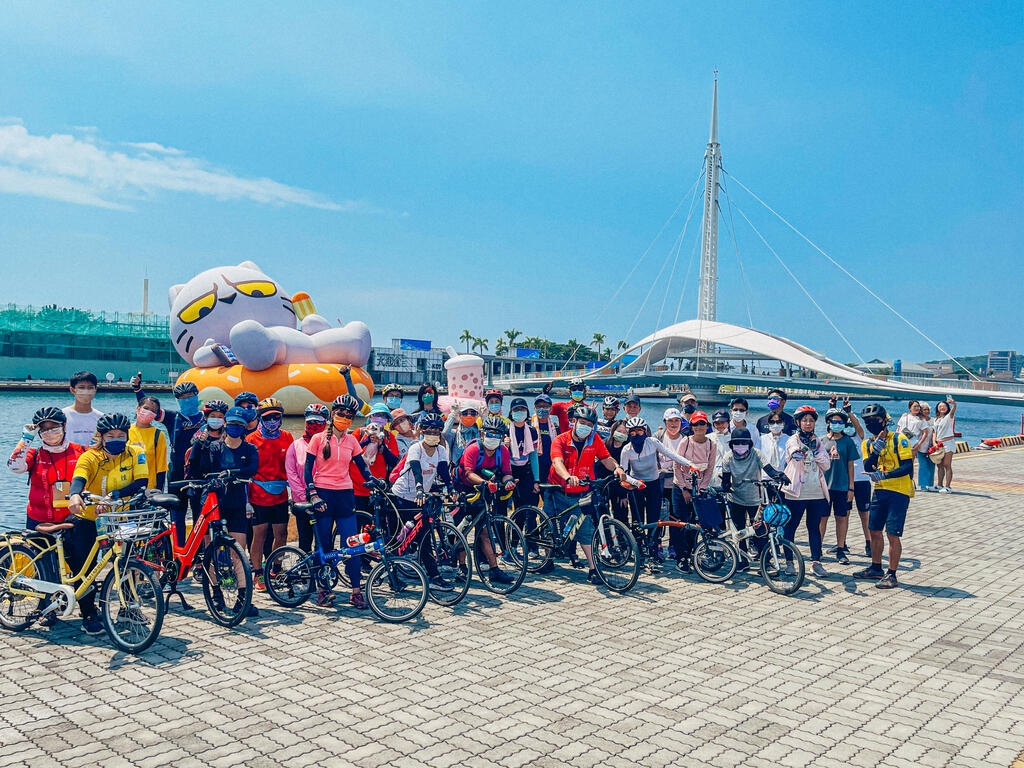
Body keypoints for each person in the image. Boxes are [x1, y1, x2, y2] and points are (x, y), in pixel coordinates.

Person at [67, 413, 149, 634]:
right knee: (86, 566)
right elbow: (79, 478)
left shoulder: (136, 453)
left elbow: (141, 482)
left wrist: (115, 495)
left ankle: (129, 608)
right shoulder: (90, 456)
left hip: (121, 518)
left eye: (121, 435)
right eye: (110, 435)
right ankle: (88, 613)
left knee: (127, 563)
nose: (116, 439)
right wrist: (75, 495)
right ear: (101, 437)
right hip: (89, 518)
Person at [304, 395, 382, 608]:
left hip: (345, 495)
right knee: (325, 547)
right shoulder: (318, 439)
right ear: (332, 414)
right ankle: (323, 589)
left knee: (354, 545)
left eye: (349, 416)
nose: (345, 418)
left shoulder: (352, 440)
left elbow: (362, 467)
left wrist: (374, 482)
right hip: (323, 495)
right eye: (341, 414)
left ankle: (356, 592)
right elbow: (307, 470)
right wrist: (313, 494)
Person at [187, 406, 260, 616]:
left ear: (244, 427)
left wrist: (230, 473)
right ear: (226, 424)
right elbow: (198, 469)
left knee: (239, 552)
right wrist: (197, 447)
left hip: (237, 503)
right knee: (211, 551)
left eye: (240, 425)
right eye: (232, 424)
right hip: (213, 503)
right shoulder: (214, 447)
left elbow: (252, 470)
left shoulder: (250, 449)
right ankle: (216, 594)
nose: (235, 428)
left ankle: (243, 598)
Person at [548, 406, 627, 584]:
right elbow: (557, 461)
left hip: (581, 490)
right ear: (574, 422)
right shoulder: (560, 440)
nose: (585, 426)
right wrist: (567, 476)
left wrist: (617, 468)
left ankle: (593, 569)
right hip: (556, 488)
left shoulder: (595, 439)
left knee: (585, 530)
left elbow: (606, 458)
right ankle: (548, 561)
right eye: (582, 423)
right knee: (550, 525)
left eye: (589, 424)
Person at [390, 412, 454, 592]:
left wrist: (451, 488)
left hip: (420, 499)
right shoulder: (415, 447)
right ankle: (391, 575)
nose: (433, 433)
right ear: (422, 430)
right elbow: (416, 469)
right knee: (397, 538)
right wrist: (419, 487)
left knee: (425, 538)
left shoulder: (441, 450)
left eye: (436, 430)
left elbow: (444, 472)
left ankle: (434, 577)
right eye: (429, 430)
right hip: (401, 497)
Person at [854, 404, 914, 589]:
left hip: (899, 491)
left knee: (892, 534)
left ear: (884, 420)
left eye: (874, 421)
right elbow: (867, 467)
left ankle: (892, 574)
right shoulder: (868, 443)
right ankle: (876, 567)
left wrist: (886, 475)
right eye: (867, 422)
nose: (871, 424)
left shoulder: (899, 439)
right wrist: (876, 450)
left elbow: (907, 467)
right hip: (879, 491)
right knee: (874, 530)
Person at [619, 416, 690, 561]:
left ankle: (653, 550)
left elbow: (672, 455)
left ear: (645, 432)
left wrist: (690, 464)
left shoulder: (652, 442)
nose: (636, 435)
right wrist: (636, 483)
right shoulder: (626, 449)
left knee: (653, 519)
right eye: (632, 432)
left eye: (639, 431)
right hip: (636, 485)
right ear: (628, 433)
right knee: (637, 520)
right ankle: (638, 549)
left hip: (653, 484)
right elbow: (624, 473)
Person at [458, 416, 519, 584]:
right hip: (464, 488)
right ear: (483, 434)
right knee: (462, 529)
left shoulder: (503, 451)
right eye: (489, 434)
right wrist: (486, 483)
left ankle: (494, 569)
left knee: (485, 532)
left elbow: (507, 471)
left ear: (502, 437)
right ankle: (461, 566)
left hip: (486, 487)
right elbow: (468, 473)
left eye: (497, 435)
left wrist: (508, 482)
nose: (493, 438)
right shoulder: (473, 449)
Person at [721, 427, 788, 567]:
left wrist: (780, 475)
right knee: (739, 531)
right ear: (731, 445)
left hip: (755, 499)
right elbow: (726, 479)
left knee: (760, 530)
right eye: (737, 443)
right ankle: (742, 560)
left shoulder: (756, 454)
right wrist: (726, 485)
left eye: (743, 443)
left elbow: (769, 469)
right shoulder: (728, 457)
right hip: (736, 498)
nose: (740, 447)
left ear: (750, 444)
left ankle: (766, 561)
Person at [246, 398, 293, 591]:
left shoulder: (287, 437)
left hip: (280, 494)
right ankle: (258, 573)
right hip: (258, 494)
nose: (272, 421)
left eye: (276, 417)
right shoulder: (251, 440)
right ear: (260, 418)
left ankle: (276, 568)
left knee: (281, 534)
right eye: (267, 418)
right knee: (259, 535)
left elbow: (293, 466)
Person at [781, 405, 831, 578]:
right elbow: (794, 455)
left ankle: (816, 563)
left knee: (814, 527)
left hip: (816, 492)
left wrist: (816, 450)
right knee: (791, 526)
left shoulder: (818, 441)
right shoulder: (792, 440)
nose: (808, 424)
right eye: (804, 420)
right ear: (798, 422)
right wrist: (804, 448)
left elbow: (826, 464)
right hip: (796, 493)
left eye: (811, 420)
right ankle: (789, 563)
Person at [666, 410, 716, 573]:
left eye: (702, 424)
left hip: (699, 489)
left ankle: (692, 553)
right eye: (695, 424)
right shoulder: (685, 442)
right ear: (691, 426)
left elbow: (709, 470)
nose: (699, 427)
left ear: (706, 426)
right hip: (681, 489)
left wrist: (700, 489)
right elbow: (676, 467)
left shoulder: (711, 444)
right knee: (681, 522)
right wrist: (684, 489)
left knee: (696, 524)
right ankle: (681, 557)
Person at [130, 379, 206, 483]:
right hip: (177, 468)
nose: (187, 399)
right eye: (182, 397)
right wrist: (138, 389)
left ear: (197, 395)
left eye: (190, 396)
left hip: (201, 466)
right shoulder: (173, 417)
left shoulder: (207, 417)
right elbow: (149, 407)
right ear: (178, 400)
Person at [285, 404, 328, 552]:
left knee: (323, 541)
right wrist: (305, 496)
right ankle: (305, 571)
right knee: (304, 539)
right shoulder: (295, 446)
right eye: (310, 421)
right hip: (302, 501)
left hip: (325, 499)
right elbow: (291, 474)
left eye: (318, 422)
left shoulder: (330, 444)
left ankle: (322, 569)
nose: (314, 425)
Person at [819, 408, 858, 565]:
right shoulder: (821, 441)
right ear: (828, 423)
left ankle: (841, 549)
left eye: (840, 422)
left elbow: (850, 466)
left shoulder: (848, 441)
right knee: (822, 518)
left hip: (841, 487)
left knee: (841, 518)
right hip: (824, 487)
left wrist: (851, 488)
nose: (837, 424)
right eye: (834, 421)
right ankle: (818, 547)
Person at [351, 403, 400, 514]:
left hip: (378, 489)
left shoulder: (389, 437)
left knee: (377, 525)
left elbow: (395, 462)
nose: (379, 418)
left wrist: (383, 448)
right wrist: (366, 441)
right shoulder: (359, 433)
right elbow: (350, 454)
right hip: (356, 489)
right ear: (370, 417)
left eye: (383, 416)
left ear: (387, 420)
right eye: (376, 415)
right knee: (358, 524)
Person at [658, 407, 687, 558]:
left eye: (677, 420)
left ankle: (674, 545)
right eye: (670, 421)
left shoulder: (685, 439)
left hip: (678, 485)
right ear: (665, 422)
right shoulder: (658, 437)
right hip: (661, 484)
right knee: (660, 516)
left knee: (676, 517)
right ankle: (658, 545)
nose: (673, 424)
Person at [128, 396, 169, 491]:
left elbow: (161, 468)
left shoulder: (158, 435)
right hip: (126, 487)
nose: (148, 412)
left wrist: (158, 492)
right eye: (146, 408)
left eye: (153, 411)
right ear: (138, 408)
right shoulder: (125, 431)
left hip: (148, 488)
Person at [506, 398, 540, 510]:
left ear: (527, 412)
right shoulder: (506, 430)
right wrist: (505, 445)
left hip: (525, 471)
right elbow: (500, 456)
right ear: (511, 412)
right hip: (510, 471)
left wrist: (536, 480)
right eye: (516, 409)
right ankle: (515, 527)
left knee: (530, 506)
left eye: (522, 409)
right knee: (515, 506)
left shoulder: (532, 431)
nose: (519, 412)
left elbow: (534, 457)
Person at [600, 420, 631, 525]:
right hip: (604, 483)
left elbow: (628, 471)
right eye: (619, 431)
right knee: (602, 514)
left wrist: (623, 494)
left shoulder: (628, 447)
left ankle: (623, 538)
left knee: (621, 513)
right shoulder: (604, 444)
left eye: (625, 432)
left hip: (620, 485)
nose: (622, 434)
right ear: (613, 431)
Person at [63, 371, 103, 447]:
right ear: (72, 390)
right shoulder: (62, 415)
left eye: (90, 388)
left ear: (95, 390)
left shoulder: (101, 418)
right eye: (81, 387)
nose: (86, 391)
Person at [896, 401, 925, 490]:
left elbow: (925, 433)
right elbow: (898, 429)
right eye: (914, 406)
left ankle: (910, 482)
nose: (917, 408)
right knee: (899, 462)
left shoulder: (921, 419)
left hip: (913, 442)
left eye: (918, 406)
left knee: (910, 463)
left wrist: (919, 444)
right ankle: (899, 481)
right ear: (910, 408)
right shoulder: (904, 416)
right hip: (902, 441)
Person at [932, 396, 958, 493]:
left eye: (944, 406)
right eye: (940, 406)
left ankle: (948, 486)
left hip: (948, 443)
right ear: (937, 408)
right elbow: (934, 432)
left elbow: (953, 411)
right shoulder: (936, 419)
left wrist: (954, 404)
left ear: (947, 407)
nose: (942, 408)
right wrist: (934, 442)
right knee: (939, 465)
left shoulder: (949, 417)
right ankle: (939, 485)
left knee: (947, 464)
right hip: (939, 444)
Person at [916, 402, 936, 492]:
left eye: (928, 409)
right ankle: (923, 485)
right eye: (924, 409)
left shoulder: (933, 420)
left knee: (931, 465)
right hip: (921, 446)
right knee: (923, 466)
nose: (927, 411)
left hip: (931, 447)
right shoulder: (918, 420)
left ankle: (930, 484)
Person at [708, 410, 731, 487]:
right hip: (711, 480)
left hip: (731, 479)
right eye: (717, 423)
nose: (720, 425)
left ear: (728, 422)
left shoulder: (734, 439)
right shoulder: (707, 438)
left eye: (723, 423)